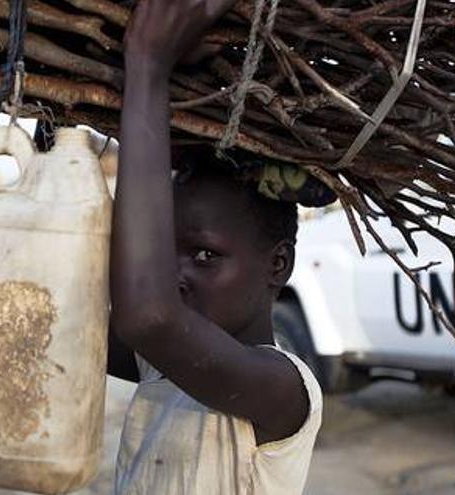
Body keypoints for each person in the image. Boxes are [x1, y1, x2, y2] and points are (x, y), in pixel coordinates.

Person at [108, 2, 322, 494]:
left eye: (204, 255)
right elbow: (63, 312)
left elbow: (146, 314)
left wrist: (147, 64)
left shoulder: (285, 388)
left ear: (277, 265)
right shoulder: (158, 362)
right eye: (170, 251)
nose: (175, 274)